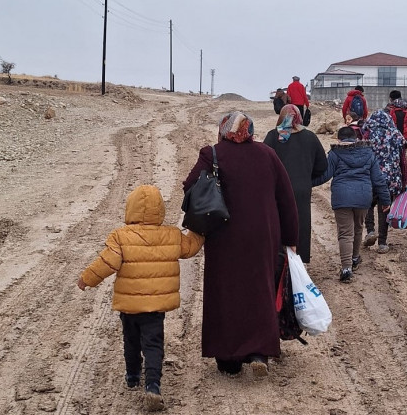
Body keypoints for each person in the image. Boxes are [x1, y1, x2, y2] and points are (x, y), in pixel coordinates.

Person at [182, 111, 299, 377]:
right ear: (251, 131)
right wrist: (291, 239)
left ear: (223, 130)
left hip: (223, 235)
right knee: (260, 289)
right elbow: (286, 198)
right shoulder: (267, 154)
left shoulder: (211, 153)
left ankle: (228, 360)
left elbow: (189, 186)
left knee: (226, 292)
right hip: (263, 235)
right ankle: (259, 352)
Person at [77, 185, 205, 411]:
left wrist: (86, 279)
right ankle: (153, 386)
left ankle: (133, 375)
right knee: (153, 344)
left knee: (131, 340)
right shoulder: (171, 235)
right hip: (155, 308)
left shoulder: (120, 236)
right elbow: (191, 247)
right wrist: (201, 230)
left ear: (131, 209)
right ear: (160, 210)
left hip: (130, 306)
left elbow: (107, 263)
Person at [312, 126, 391, 281]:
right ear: (356, 138)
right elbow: (378, 180)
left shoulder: (335, 154)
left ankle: (346, 268)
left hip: (342, 197)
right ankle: (355, 258)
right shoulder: (369, 153)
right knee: (358, 228)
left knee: (345, 233)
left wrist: (304, 182)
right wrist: (385, 200)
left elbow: (325, 176)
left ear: (339, 140)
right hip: (363, 197)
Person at [263, 104, 328, 264]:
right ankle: (298, 261)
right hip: (301, 189)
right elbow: (322, 166)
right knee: (300, 223)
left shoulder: (273, 136)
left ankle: (278, 260)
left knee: (277, 222)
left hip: (277, 190)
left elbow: (262, 164)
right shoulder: (310, 137)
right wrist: (306, 177)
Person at [360, 110, 406, 254]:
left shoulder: (367, 133)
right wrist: (405, 180)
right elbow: (403, 157)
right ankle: (382, 243)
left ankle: (370, 231)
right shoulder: (396, 134)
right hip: (391, 178)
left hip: (371, 176)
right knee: (384, 208)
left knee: (368, 204)